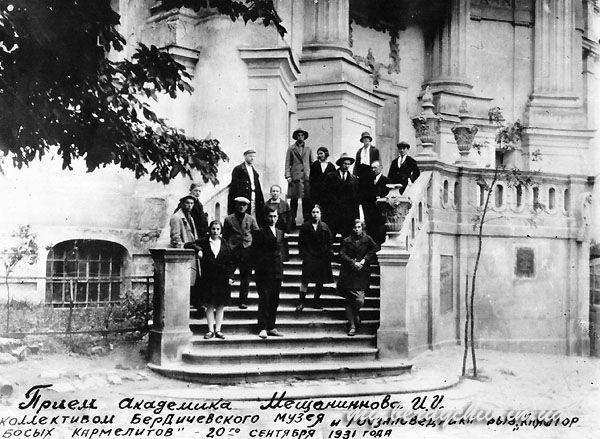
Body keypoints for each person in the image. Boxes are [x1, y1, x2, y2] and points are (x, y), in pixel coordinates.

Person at [337, 220, 380, 336]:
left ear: (362, 228)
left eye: (359, 227)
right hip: (348, 273)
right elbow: (342, 254)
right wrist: (352, 262)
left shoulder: (367, 239)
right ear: (352, 228)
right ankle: (352, 326)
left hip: (362, 273)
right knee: (348, 300)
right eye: (355, 227)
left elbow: (375, 249)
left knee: (360, 301)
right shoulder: (346, 241)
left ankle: (355, 314)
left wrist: (364, 260)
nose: (356, 229)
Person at [193, 221, 235, 340]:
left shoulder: (225, 244)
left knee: (220, 305)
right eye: (213, 229)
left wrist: (231, 276)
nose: (215, 231)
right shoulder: (204, 242)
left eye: (217, 229)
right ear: (209, 230)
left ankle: (218, 330)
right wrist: (198, 249)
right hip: (208, 278)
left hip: (222, 278)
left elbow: (230, 262)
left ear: (221, 230)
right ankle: (210, 330)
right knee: (210, 305)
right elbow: (188, 244)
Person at [252, 206, 289, 339]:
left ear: (277, 217)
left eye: (274, 216)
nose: (272, 219)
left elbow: (281, 252)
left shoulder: (280, 232)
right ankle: (262, 327)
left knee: (274, 300)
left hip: (276, 271)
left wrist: (281, 269)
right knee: (264, 299)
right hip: (263, 272)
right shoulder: (259, 233)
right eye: (270, 216)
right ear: (265, 217)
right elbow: (255, 253)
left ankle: (271, 327)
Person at [222, 197, 259, 309]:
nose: (241, 207)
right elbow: (225, 236)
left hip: (247, 250)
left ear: (247, 207)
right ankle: (226, 299)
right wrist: (226, 249)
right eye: (239, 204)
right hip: (233, 250)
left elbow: (256, 234)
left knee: (246, 276)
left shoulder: (251, 219)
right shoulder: (229, 219)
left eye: (244, 205)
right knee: (228, 275)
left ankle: (243, 300)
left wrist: (254, 250)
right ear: (236, 205)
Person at [296, 205, 334, 312]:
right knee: (305, 280)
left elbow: (329, 242)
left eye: (317, 212)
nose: (315, 214)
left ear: (321, 214)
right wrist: (304, 255)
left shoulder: (325, 227)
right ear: (310, 214)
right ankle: (301, 302)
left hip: (321, 258)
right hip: (309, 257)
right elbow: (301, 243)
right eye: (313, 212)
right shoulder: (305, 227)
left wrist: (328, 254)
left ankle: (316, 301)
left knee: (320, 281)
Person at [170, 195, 201, 304]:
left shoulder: (190, 217)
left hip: (192, 252)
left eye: (191, 204)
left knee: (193, 279)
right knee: (184, 281)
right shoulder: (176, 217)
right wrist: (184, 249)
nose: (189, 206)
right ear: (182, 204)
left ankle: (194, 302)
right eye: (187, 203)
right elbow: (175, 239)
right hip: (184, 254)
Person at [325, 153, 359, 240]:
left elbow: (355, 199)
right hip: (333, 213)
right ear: (340, 164)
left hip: (347, 215)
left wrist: (356, 216)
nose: (347, 166)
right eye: (345, 164)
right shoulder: (331, 176)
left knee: (346, 238)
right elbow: (327, 194)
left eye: (348, 164)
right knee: (330, 237)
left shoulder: (353, 179)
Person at [228, 149, 265, 224]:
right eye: (250, 156)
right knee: (243, 218)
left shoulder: (254, 171)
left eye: (253, 156)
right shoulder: (238, 169)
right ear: (245, 156)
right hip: (244, 198)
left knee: (253, 216)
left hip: (254, 197)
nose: (252, 158)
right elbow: (234, 188)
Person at [285, 128, 313, 227]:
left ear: (304, 137)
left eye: (302, 135)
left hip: (306, 177)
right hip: (295, 177)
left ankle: (306, 222)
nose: (300, 137)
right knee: (294, 200)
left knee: (306, 200)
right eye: (298, 135)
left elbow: (312, 163)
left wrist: (312, 176)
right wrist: (288, 176)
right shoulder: (291, 148)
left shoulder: (308, 149)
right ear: (296, 137)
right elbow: (287, 162)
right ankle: (292, 222)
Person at [363, 160, 390, 246]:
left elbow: (387, 196)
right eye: (372, 168)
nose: (373, 170)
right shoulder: (368, 181)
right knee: (370, 234)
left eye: (375, 168)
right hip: (370, 213)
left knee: (380, 234)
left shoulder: (386, 181)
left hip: (380, 214)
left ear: (381, 168)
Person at [353, 131, 380, 213]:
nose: (366, 140)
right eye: (364, 139)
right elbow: (356, 164)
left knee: (370, 199)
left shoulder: (374, 150)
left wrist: (376, 175)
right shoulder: (359, 151)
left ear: (369, 140)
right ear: (362, 140)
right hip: (361, 176)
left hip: (370, 174)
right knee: (362, 198)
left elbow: (378, 163)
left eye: (367, 139)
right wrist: (354, 175)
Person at [309, 146, 336, 225]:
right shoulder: (315, 165)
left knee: (327, 213)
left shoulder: (331, 166)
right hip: (317, 194)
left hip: (328, 195)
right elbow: (311, 179)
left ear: (326, 154)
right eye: (318, 154)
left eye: (321, 153)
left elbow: (334, 181)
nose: (319, 155)